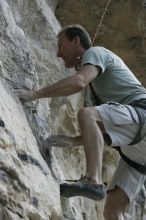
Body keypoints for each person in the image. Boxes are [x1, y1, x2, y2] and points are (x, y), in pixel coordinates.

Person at [15, 24, 146, 220]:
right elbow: (110, 124)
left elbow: (79, 82)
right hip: (138, 152)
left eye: (61, 45)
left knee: (87, 114)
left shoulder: (95, 52)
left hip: (141, 117)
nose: (58, 53)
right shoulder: (103, 82)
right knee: (112, 212)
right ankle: (93, 181)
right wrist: (75, 140)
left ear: (76, 41)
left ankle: (93, 180)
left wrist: (34, 94)